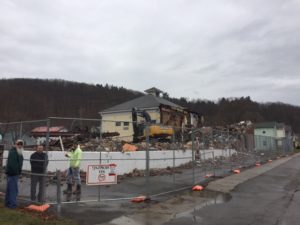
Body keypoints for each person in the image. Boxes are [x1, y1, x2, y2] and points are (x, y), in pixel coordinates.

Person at [5, 139, 24, 208]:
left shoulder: (15, 152)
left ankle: (7, 203)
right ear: (15, 144)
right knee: (13, 190)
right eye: (18, 144)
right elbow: (13, 165)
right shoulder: (14, 152)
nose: (20, 145)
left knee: (9, 189)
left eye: (21, 144)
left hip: (11, 173)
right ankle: (12, 205)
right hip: (13, 173)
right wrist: (18, 173)